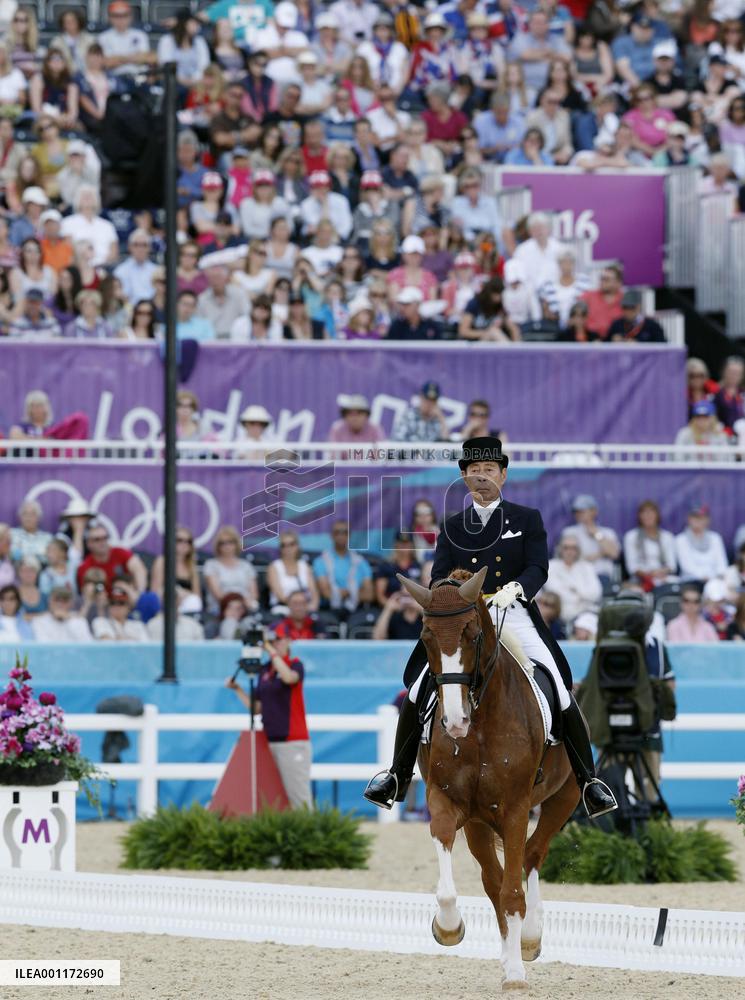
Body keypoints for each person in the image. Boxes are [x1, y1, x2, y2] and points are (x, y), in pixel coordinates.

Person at [363, 435, 617, 819]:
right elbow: (438, 577)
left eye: (489, 470)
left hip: (513, 611)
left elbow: (538, 567)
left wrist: (517, 588)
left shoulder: (526, 518)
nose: (482, 477)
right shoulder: (452, 526)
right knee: (417, 688)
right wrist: (452, 599)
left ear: (503, 475)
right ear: (465, 478)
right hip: (466, 618)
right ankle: (396, 775)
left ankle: (589, 781)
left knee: (557, 684)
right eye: (475, 471)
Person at [225, 629, 313, 808]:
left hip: (291, 741)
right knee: (273, 796)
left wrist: (268, 649)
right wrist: (238, 690)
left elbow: (289, 678)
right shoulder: (265, 670)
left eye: (278, 640)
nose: (275, 644)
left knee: (298, 797)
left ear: (288, 640)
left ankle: (309, 833)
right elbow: (257, 708)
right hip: (269, 740)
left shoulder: (295, 664)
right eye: (272, 641)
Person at [312, 520, 373, 613]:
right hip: (329, 610)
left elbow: (369, 595)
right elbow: (326, 593)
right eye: (337, 532)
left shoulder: (361, 562)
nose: (341, 536)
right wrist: (354, 592)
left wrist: (345, 593)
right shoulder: (320, 561)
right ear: (331, 535)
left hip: (357, 611)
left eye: (345, 532)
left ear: (350, 535)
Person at [546, 533, 603, 625]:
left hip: (587, 612)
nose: (570, 551)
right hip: (561, 612)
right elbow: (556, 592)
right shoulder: (551, 566)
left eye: (573, 548)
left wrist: (575, 589)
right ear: (560, 549)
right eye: (566, 548)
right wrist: (581, 595)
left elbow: (596, 593)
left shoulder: (587, 567)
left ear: (578, 550)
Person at [562, 494, 621, 582]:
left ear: (594, 511)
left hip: (602, 577)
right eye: (576, 511)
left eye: (582, 511)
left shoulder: (607, 532)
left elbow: (614, 554)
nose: (578, 514)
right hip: (578, 576)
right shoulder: (569, 532)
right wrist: (601, 554)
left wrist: (597, 535)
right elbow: (569, 558)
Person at [76, 524, 147, 595]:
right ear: (88, 543)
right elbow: (86, 593)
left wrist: (139, 594)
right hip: (102, 602)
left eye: (105, 538)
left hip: (125, 598)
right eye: (97, 539)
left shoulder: (119, 552)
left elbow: (139, 569)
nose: (102, 542)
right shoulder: (85, 566)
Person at [203, 525, 258, 616]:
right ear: (218, 546)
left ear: (236, 544)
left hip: (245, 607)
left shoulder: (246, 566)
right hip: (220, 608)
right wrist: (233, 606)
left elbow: (254, 594)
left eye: (230, 542)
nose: (227, 546)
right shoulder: (211, 565)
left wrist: (243, 605)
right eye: (223, 543)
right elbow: (217, 594)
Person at [623, 500, 677, 588]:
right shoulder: (631, 536)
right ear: (639, 516)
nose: (648, 516)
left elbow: (672, 565)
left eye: (651, 512)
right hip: (640, 580)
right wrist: (649, 575)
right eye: (644, 512)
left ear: (657, 515)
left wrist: (659, 573)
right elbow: (632, 567)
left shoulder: (667, 537)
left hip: (663, 578)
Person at [674, 505, 729, 582]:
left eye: (702, 517)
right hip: (691, 581)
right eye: (695, 516)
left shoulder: (715, 538)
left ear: (708, 520)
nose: (698, 520)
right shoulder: (680, 539)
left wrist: (717, 577)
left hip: (715, 581)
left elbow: (722, 564)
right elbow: (687, 567)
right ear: (689, 519)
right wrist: (706, 577)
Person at [267, 532, 319, 611]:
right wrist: (298, 607)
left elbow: (314, 593)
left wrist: (313, 606)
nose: (288, 548)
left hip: (305, 609)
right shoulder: (274, 567)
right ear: (280, 548)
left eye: (291, 544)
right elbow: (280, 596)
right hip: (282, 608)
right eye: (284, 545)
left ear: (297, 546)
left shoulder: (304, 566)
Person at [374, 533, 422, 605]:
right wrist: (393, 606)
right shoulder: (386, 566)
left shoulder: (418, 566)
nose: (404, 547)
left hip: (414, 608)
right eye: (401, 544)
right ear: (396, 545)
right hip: (392, 607)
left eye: (407, 543)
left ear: (412, 545)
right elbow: (380, 596)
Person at [579, 264, 624, 339]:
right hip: (590, 341)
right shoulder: (588, 297)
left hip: (616, 343)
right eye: (601, 279)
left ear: (618, 282)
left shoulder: (625, 300)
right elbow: (576, 317)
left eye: (606, 279)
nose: (602, 282)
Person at [10, 499, 52, 563]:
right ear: (20, 517)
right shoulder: (10, 535)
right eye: (25, 513)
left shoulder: (47, 538)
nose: (28, 517)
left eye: (33, 514)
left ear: (39, 517)